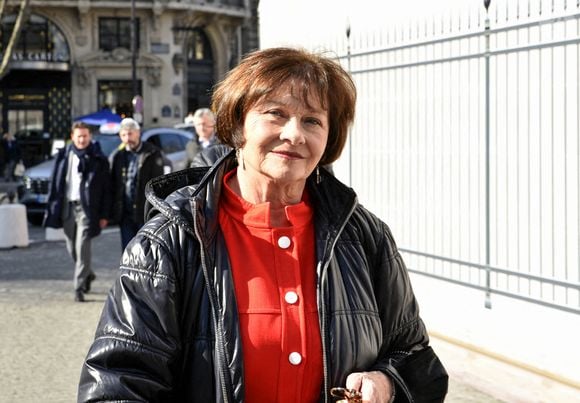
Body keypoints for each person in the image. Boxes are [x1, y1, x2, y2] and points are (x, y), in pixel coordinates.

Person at [79, 47, 448, 402]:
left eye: (312, 120)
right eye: (275, 113)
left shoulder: (367, 238)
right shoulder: (169, 243)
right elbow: (117, 385)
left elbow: (417, 359)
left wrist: (387, 384)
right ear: (238, 124)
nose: (294, 134)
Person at [44, 122, 111, 302]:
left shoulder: (98, 158)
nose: (82, 139)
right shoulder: (64, 156)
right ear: (72, 137)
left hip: (88, 209)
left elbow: (106, 189)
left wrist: (105, 215)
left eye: (85, 136)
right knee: (71, 248)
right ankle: (88, 274)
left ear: (90, 137)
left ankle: (78, 287)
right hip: (67, 206)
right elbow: (55, 183)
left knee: (82, 247)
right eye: (78, 136)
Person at [110, 117, 165, 250]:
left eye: (130, 133)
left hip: (144, 212)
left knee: (144, 250)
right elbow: (113, 184)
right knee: (128, 250)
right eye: (124, 134)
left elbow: (158, 184)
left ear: (138, 132)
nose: (127, 138)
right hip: (125, 213)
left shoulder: (151, 153)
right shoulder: (118, 156)